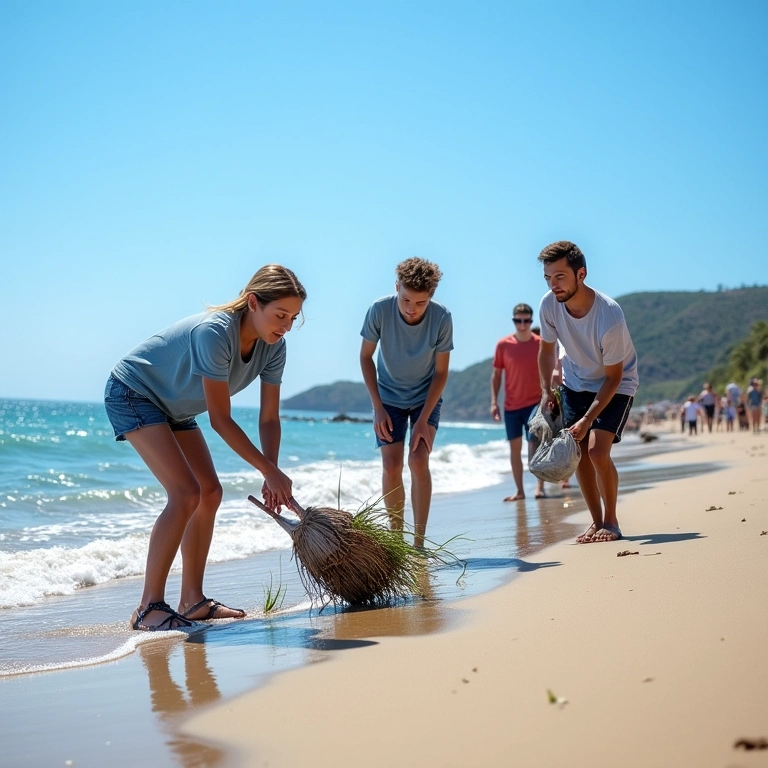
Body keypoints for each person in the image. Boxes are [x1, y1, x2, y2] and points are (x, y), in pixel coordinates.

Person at [104, 265, 306, 631]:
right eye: (280, 315)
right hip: (134, 392)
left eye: (293, 318)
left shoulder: (275, 348)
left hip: (176, 407)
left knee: (210, 492)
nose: (287, 325)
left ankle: (193, 601)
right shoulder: (214, 333)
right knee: (185, 493)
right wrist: (268, 470)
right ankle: (148, 607)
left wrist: (271, 471)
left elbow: (269, 419)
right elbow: (220, 419)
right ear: (253, 302)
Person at [536, 241, 638, 544]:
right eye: (548, 278)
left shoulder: (610, 316)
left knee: (596, 450)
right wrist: (546, 391)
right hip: (574, 383)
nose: (554, 285)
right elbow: (546, 351)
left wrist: (588, 419)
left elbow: (613, 377)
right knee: (578, 455)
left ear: (581, 274)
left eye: (560, 277)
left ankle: (612, 521)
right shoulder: (548, 304)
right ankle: (596, 522)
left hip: (616, 385)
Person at [359, 257, 453, 549]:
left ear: (431, 298)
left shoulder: (442, 317)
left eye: (421, 303)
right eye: (406, 299)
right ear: (396, 286)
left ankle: (419, 543)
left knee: (418, 460)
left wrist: (424, 419)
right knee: (391, 464)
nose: (412, 309)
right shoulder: (379, 310)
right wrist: (377, 407)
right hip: (388, 398)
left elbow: (441, 373)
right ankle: (397, 539)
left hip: (426, 397)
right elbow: (365, 358)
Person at [491, 304, 547, 501]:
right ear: (514, 321)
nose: (522, 325)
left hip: (535, 404)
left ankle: (539, 486)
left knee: (536, 443)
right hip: (512, 407)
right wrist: (493, 402)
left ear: (531, 321)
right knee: (515, 449)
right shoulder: (503, 345)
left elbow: (550, 370)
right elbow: (496, 375)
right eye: (518, 320)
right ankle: (520, 491)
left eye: (526, 321)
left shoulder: (541, 343)